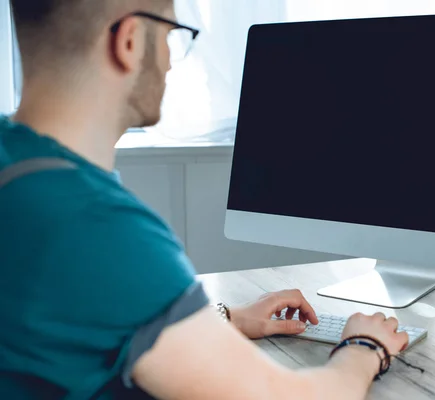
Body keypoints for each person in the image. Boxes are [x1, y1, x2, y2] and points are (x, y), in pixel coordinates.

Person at [0, 1, 409, 399]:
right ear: (128, 41)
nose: (171, 60)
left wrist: (224, 319)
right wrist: (364, 347)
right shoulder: (93, 225)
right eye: (171, 36)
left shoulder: (18, 167)